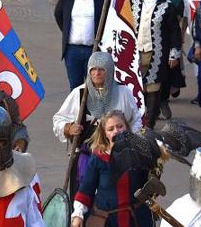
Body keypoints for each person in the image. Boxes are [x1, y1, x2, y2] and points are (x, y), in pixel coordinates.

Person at [52, 51, 141, 197]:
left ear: (109, 70)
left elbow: (136, 119)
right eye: (93, 69)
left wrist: (130, 139)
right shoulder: (79, 93)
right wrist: (68, 128)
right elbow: (58, 119)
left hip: (118, 156)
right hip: (86, 157)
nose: (96, 73)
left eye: (101, 69)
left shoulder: (123, 92)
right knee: (83, 196)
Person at [131, 0, 183, 128]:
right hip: (135, 52)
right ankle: (136, 122)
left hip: (157, 53)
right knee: (136, 87)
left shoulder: (167, 6)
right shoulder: (134, 2)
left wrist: (174, 54)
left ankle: (150, 125)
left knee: (153, 88)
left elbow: (174, 31)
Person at [53, 0, 106, 89]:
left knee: (94, 86)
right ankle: (77, 109)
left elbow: (106, 21)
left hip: (93, 50)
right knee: (75, 86)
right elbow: (58, 15)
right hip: (72, 51)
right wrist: (67, 32)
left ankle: (91, 109)